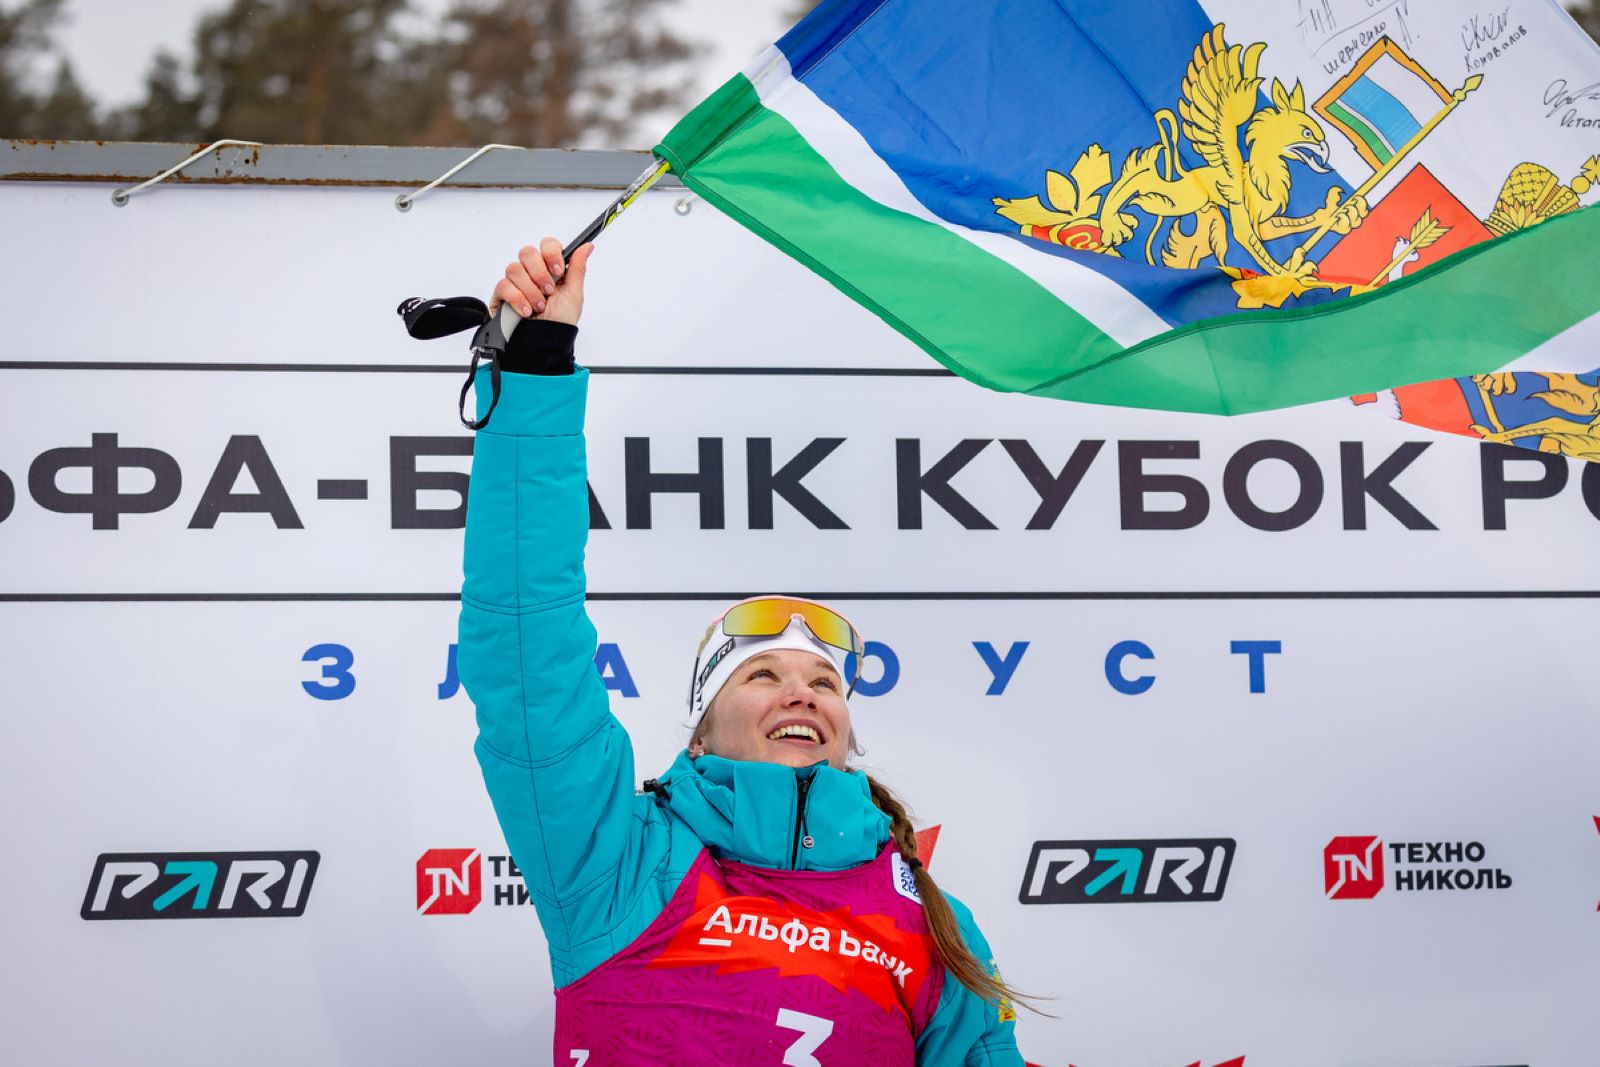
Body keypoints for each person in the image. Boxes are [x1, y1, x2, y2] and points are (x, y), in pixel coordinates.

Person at [457, 237, 1024, 1065]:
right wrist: (538, 371)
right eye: (763, 674)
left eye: (823, 681)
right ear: (698, 736)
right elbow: (525, 644)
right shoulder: (620, 859)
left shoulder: (930, 916)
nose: (803, 693)